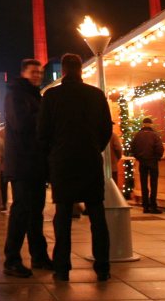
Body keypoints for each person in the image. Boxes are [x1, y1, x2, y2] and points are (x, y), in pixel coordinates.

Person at [39, 53, 112, 282]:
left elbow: (43, 132)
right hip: (90, 160)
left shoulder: (51, 95)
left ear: (63, 71)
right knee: (97, 214)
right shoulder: (96, 95)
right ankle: (103, 267)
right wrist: (94, 147)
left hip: (63, 161)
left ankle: (62, 268)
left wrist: (53, 154)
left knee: (63, 215)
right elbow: (105, 130)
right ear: (80, 69)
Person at [3, 58, 51, 277]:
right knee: (21, 210)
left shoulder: (34, 95)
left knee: (36, 212)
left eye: (40, 72)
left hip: (36, 162)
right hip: (22, 162)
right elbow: (21, 124)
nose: (37, 75)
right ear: (23, 73)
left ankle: (39, 256)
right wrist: (45, 117)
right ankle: (11, 260)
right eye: (33, 72)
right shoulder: (15, 95)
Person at [130, 116, 165, 214]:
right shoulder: (154, 135)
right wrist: (157, 157)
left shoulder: (137, 135)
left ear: (143, 124)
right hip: (153, 162)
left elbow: (132, 148)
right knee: (154, 184)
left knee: (144, 184)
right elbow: (160, 148)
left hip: (142, 162)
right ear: (150, 124)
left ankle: (145, 206)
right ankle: (153, 206)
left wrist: (139, 157)